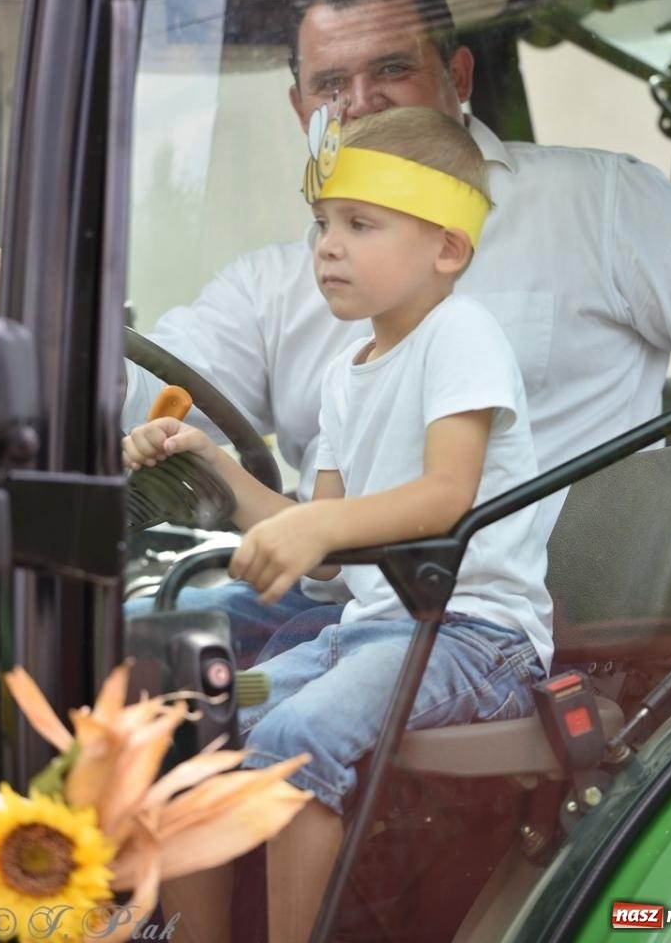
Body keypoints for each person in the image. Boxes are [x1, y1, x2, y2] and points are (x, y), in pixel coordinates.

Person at [0, 0, 671, 661]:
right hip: (340, 602)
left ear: (457, 75)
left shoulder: (593, 202)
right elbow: (155, 395)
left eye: (391, 68)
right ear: (300, 108)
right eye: (330, 84)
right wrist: (46, 331)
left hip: (518, 627)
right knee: (102, 653)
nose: (359, 102)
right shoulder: (274, 286)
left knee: (261, 723)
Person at [123, 106, 551, 943]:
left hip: (468, 637)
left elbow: (446, 494)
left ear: (447, 249)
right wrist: (210, 464)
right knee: (189, 719)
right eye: (321, 224)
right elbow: (320, 551)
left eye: (359, 224)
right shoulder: (344, 373)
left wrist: (319, 530)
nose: (326, 246)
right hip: (366, 630)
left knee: (294, 735)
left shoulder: (460, 334)